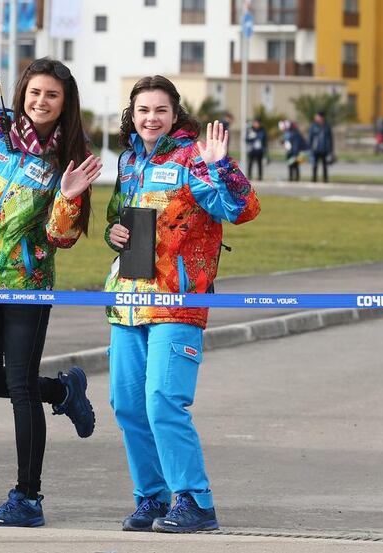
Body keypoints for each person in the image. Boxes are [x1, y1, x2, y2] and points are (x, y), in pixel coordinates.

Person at [0, 57, 102, 527]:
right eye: (35, 92)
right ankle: (63, 390)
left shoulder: (67, 159)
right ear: (21, 94)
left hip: (25, 288)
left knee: (17, 386)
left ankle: (27, 497)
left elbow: (61, 237)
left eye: (51, 95)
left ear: (64, 102)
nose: (41, 101)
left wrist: (69, 197)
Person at [105, 76, 260, 533]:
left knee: (162, 402)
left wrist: (220, 165)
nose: (150, 118)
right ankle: (151, 498)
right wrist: (113, 234)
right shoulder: (130, 160)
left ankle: (194, 501)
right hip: (127, 301)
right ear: (132, 116)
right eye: (142, 111)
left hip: (178, 301)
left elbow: (241, 208)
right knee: (127, 406)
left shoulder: (197, 157)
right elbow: (120, 215)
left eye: (159, 110)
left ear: (175, 113)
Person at [309, 111, 333, 182]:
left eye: (317, 116)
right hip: (315, 149)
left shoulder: (327, 126)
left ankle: (325, 179)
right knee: (314, 165)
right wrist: (309, 148)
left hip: (324, 149)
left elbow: (330, 139)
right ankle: (314, 179)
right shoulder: (313, 126)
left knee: (325, 165)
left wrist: (331, 150)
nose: (316, 118)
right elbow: (310, 138)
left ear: (321, 117)